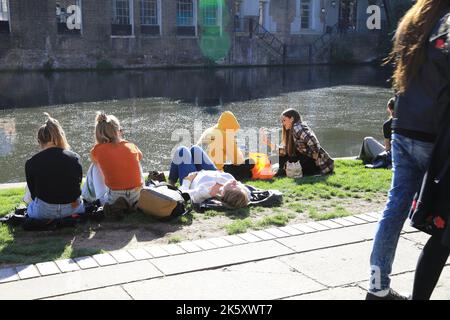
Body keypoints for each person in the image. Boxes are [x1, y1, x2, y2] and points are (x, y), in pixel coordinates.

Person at [366, 0, 450, 300]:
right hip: (436, 135)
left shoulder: (411, 20)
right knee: (445, 225)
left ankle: (377, 288)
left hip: (403, 127)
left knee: (394, 209)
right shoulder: (447, 22)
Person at [24, 113, 84, 219]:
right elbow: (77, 185)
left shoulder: (31, 162)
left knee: (29, 199)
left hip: (44, 212)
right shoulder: (75, 158)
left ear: (39, 141)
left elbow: (33, 195)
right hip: (72, 208)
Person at [82, 112, 144, 210]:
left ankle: (88, 198)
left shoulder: (97, 150)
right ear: (118, 131)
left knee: (95, 165)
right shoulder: (131, 146)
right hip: (137, 195)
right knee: (135, 158)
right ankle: (132, 203)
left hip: (115, 196)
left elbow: (94, 160)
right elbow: (140, 156)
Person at [168, 145, 250, 209]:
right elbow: (247, 192)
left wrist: (187, 181)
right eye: (239, 185)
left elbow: (183, 194)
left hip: (193, 177)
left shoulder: (205, 192)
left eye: (234, 186)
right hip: (211, 171)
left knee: (182, 150)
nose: (235, 182)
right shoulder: (231, 184)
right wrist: (240, 189)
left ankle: (171, 183)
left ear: (225, 193)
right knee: (195, 149)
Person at [262, 108, 334, 176]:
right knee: (275, 158)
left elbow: (314, 142)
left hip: (314, 163)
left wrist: (315, 155)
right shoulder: (291, 130)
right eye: (282, 121)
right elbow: (285, 151)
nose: (283, 123)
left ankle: (282, 170)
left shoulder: (298, 127)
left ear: (292, 119)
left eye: (284, 120)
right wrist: (268, 143)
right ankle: (281, 170)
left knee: (284, 165)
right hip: (304, 158)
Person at [358, 97, 395, 167]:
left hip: (390, 157)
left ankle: (360, 158)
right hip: (402, 155)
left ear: (389, 109)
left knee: (367, 140)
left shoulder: (387, 124)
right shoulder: (405, 122)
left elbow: (387, 148)